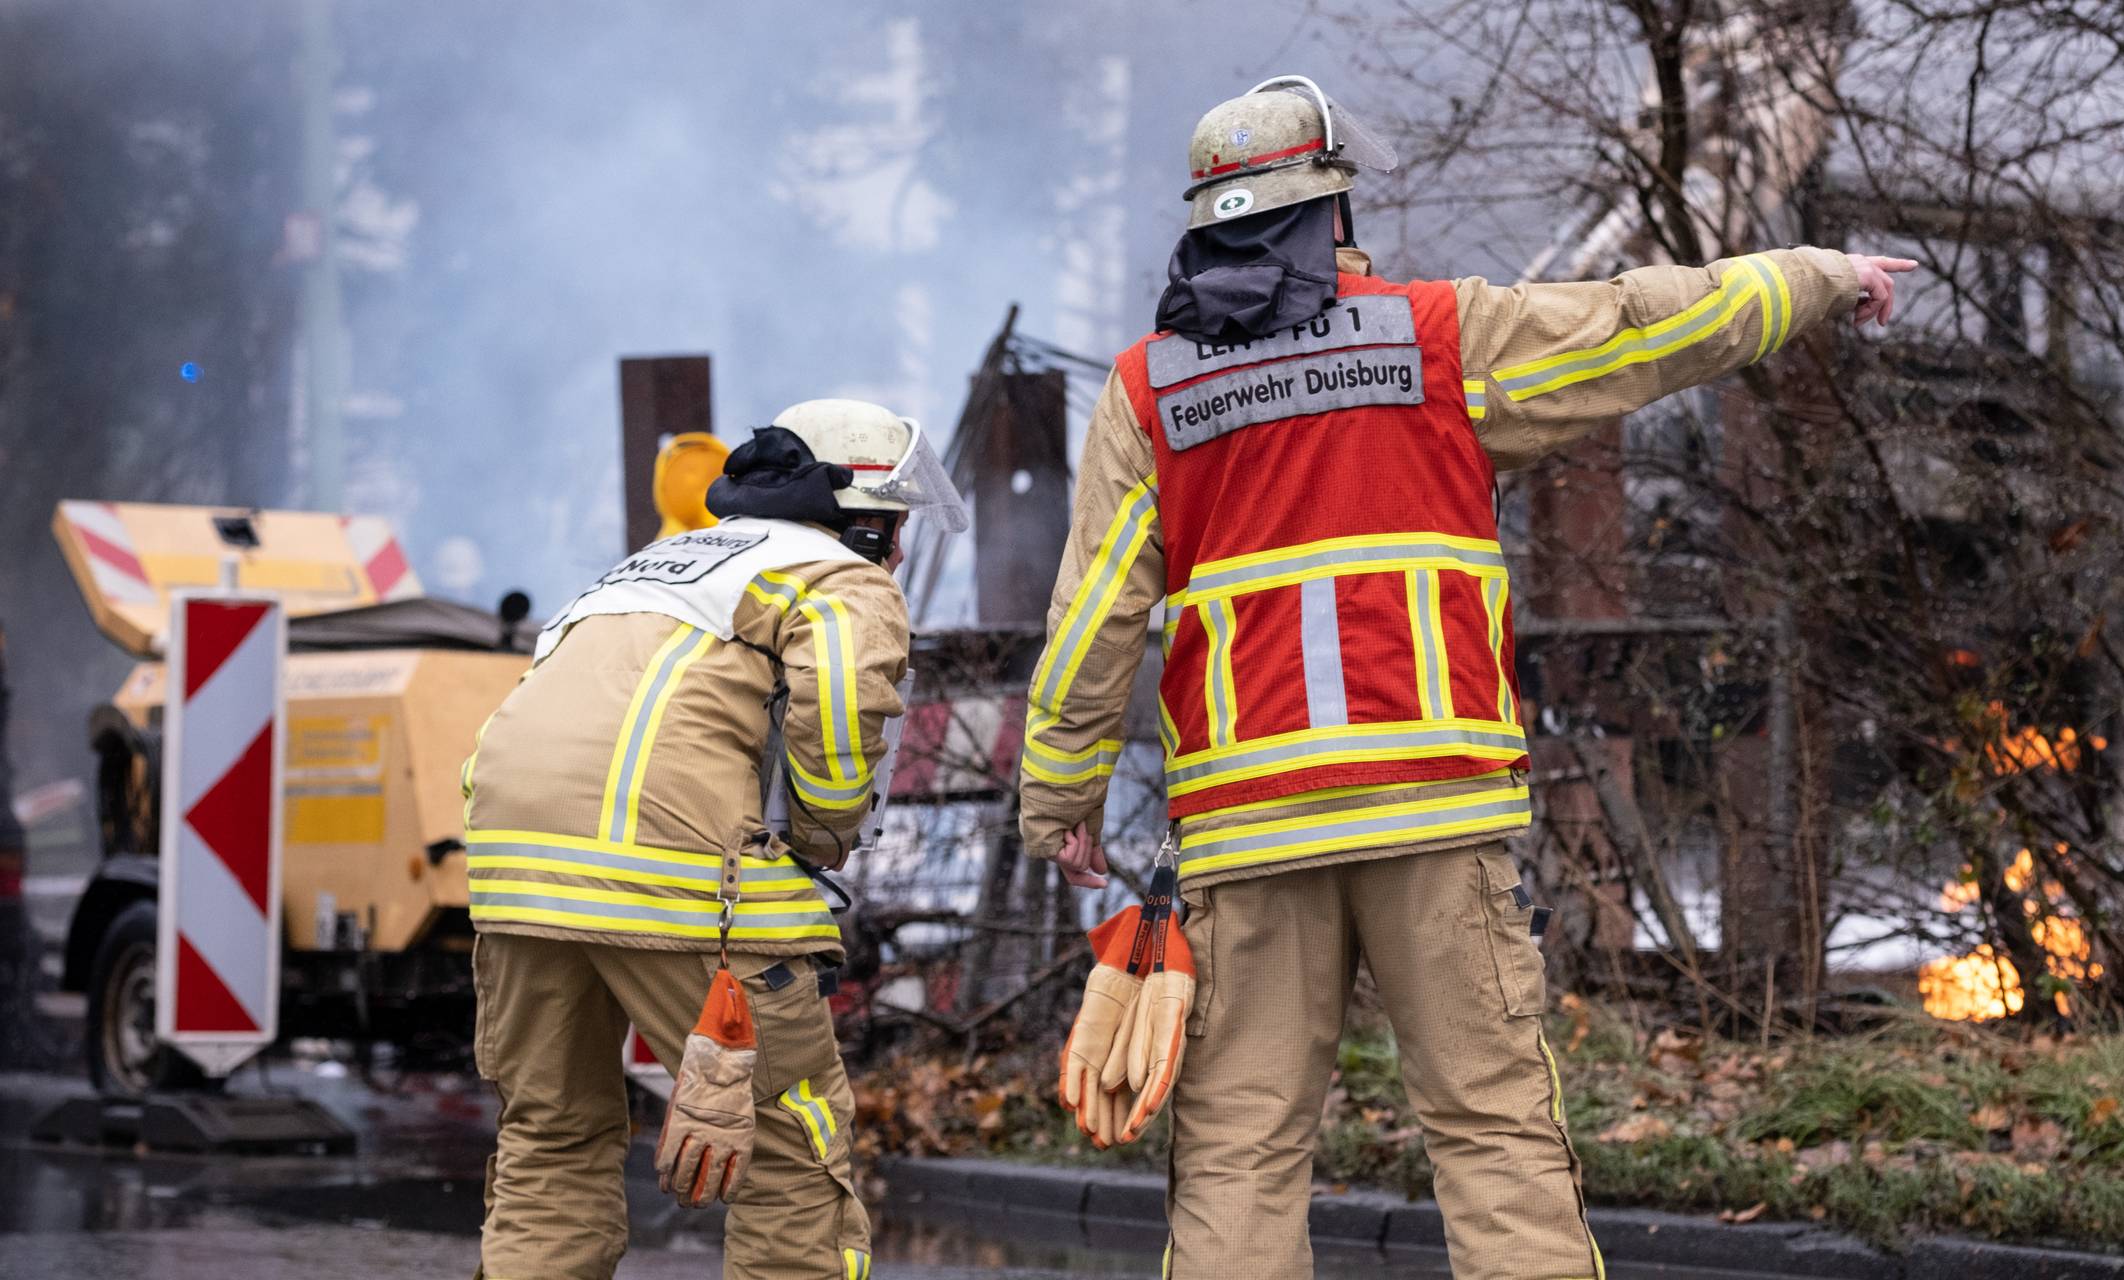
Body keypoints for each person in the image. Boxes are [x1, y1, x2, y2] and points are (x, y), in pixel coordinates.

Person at [1014, 75, 1914, 1280]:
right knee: (1492, 1133)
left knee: (1240, 1154)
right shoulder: (1438, 337)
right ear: (1330, 213)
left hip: (1247, 833)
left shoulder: (1147, 394)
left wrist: (1061, 799)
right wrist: (1822, 274)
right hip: (1435, 815)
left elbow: (1088, 628)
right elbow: (1650, 322)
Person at [463, 398, 961, 1280]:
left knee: (550, 1141)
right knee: (791, 1154)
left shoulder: (647, 567)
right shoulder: (837, 575)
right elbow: (843, 718)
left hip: (519, 881)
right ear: (869, 524)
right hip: (684, 880)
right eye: (897, 526)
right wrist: (823, 834)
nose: (901, 548)